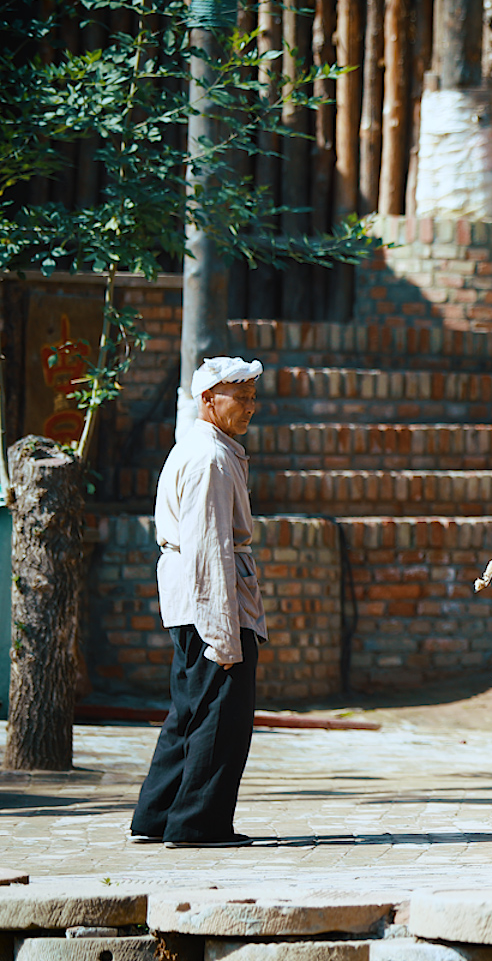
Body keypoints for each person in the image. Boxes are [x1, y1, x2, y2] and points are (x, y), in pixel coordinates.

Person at [130, 356, 267, 848]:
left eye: (253, 396)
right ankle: (196, 824)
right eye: (241, 397)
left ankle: (156, 815)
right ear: (209, 400)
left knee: (190, 709)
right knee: (220, 715)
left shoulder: (207, 449)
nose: (251, 407)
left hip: (191, 599)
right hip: (210, 601)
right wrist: (223, 635)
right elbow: (210, 548)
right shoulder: (210, 458)